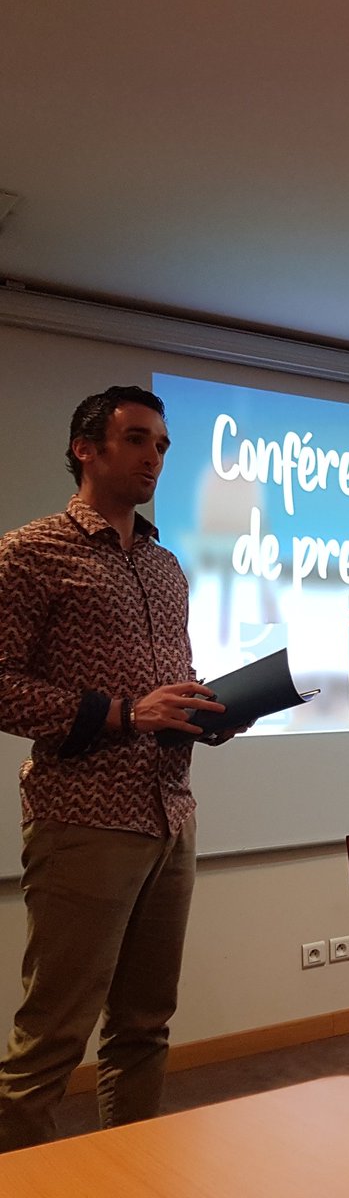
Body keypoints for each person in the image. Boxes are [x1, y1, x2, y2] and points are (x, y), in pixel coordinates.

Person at [0, 385, 245, 1151]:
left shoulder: (167, 567)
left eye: (164, 446)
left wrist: (207, 715)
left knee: (145, 1026)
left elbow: (170, 685)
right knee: (51, 1038)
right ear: (86, 448)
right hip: (83, 816)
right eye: (139, 439)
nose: (155, 458)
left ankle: (129, 1178)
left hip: (171, 815)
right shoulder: (31, 551)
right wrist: (121, 712)